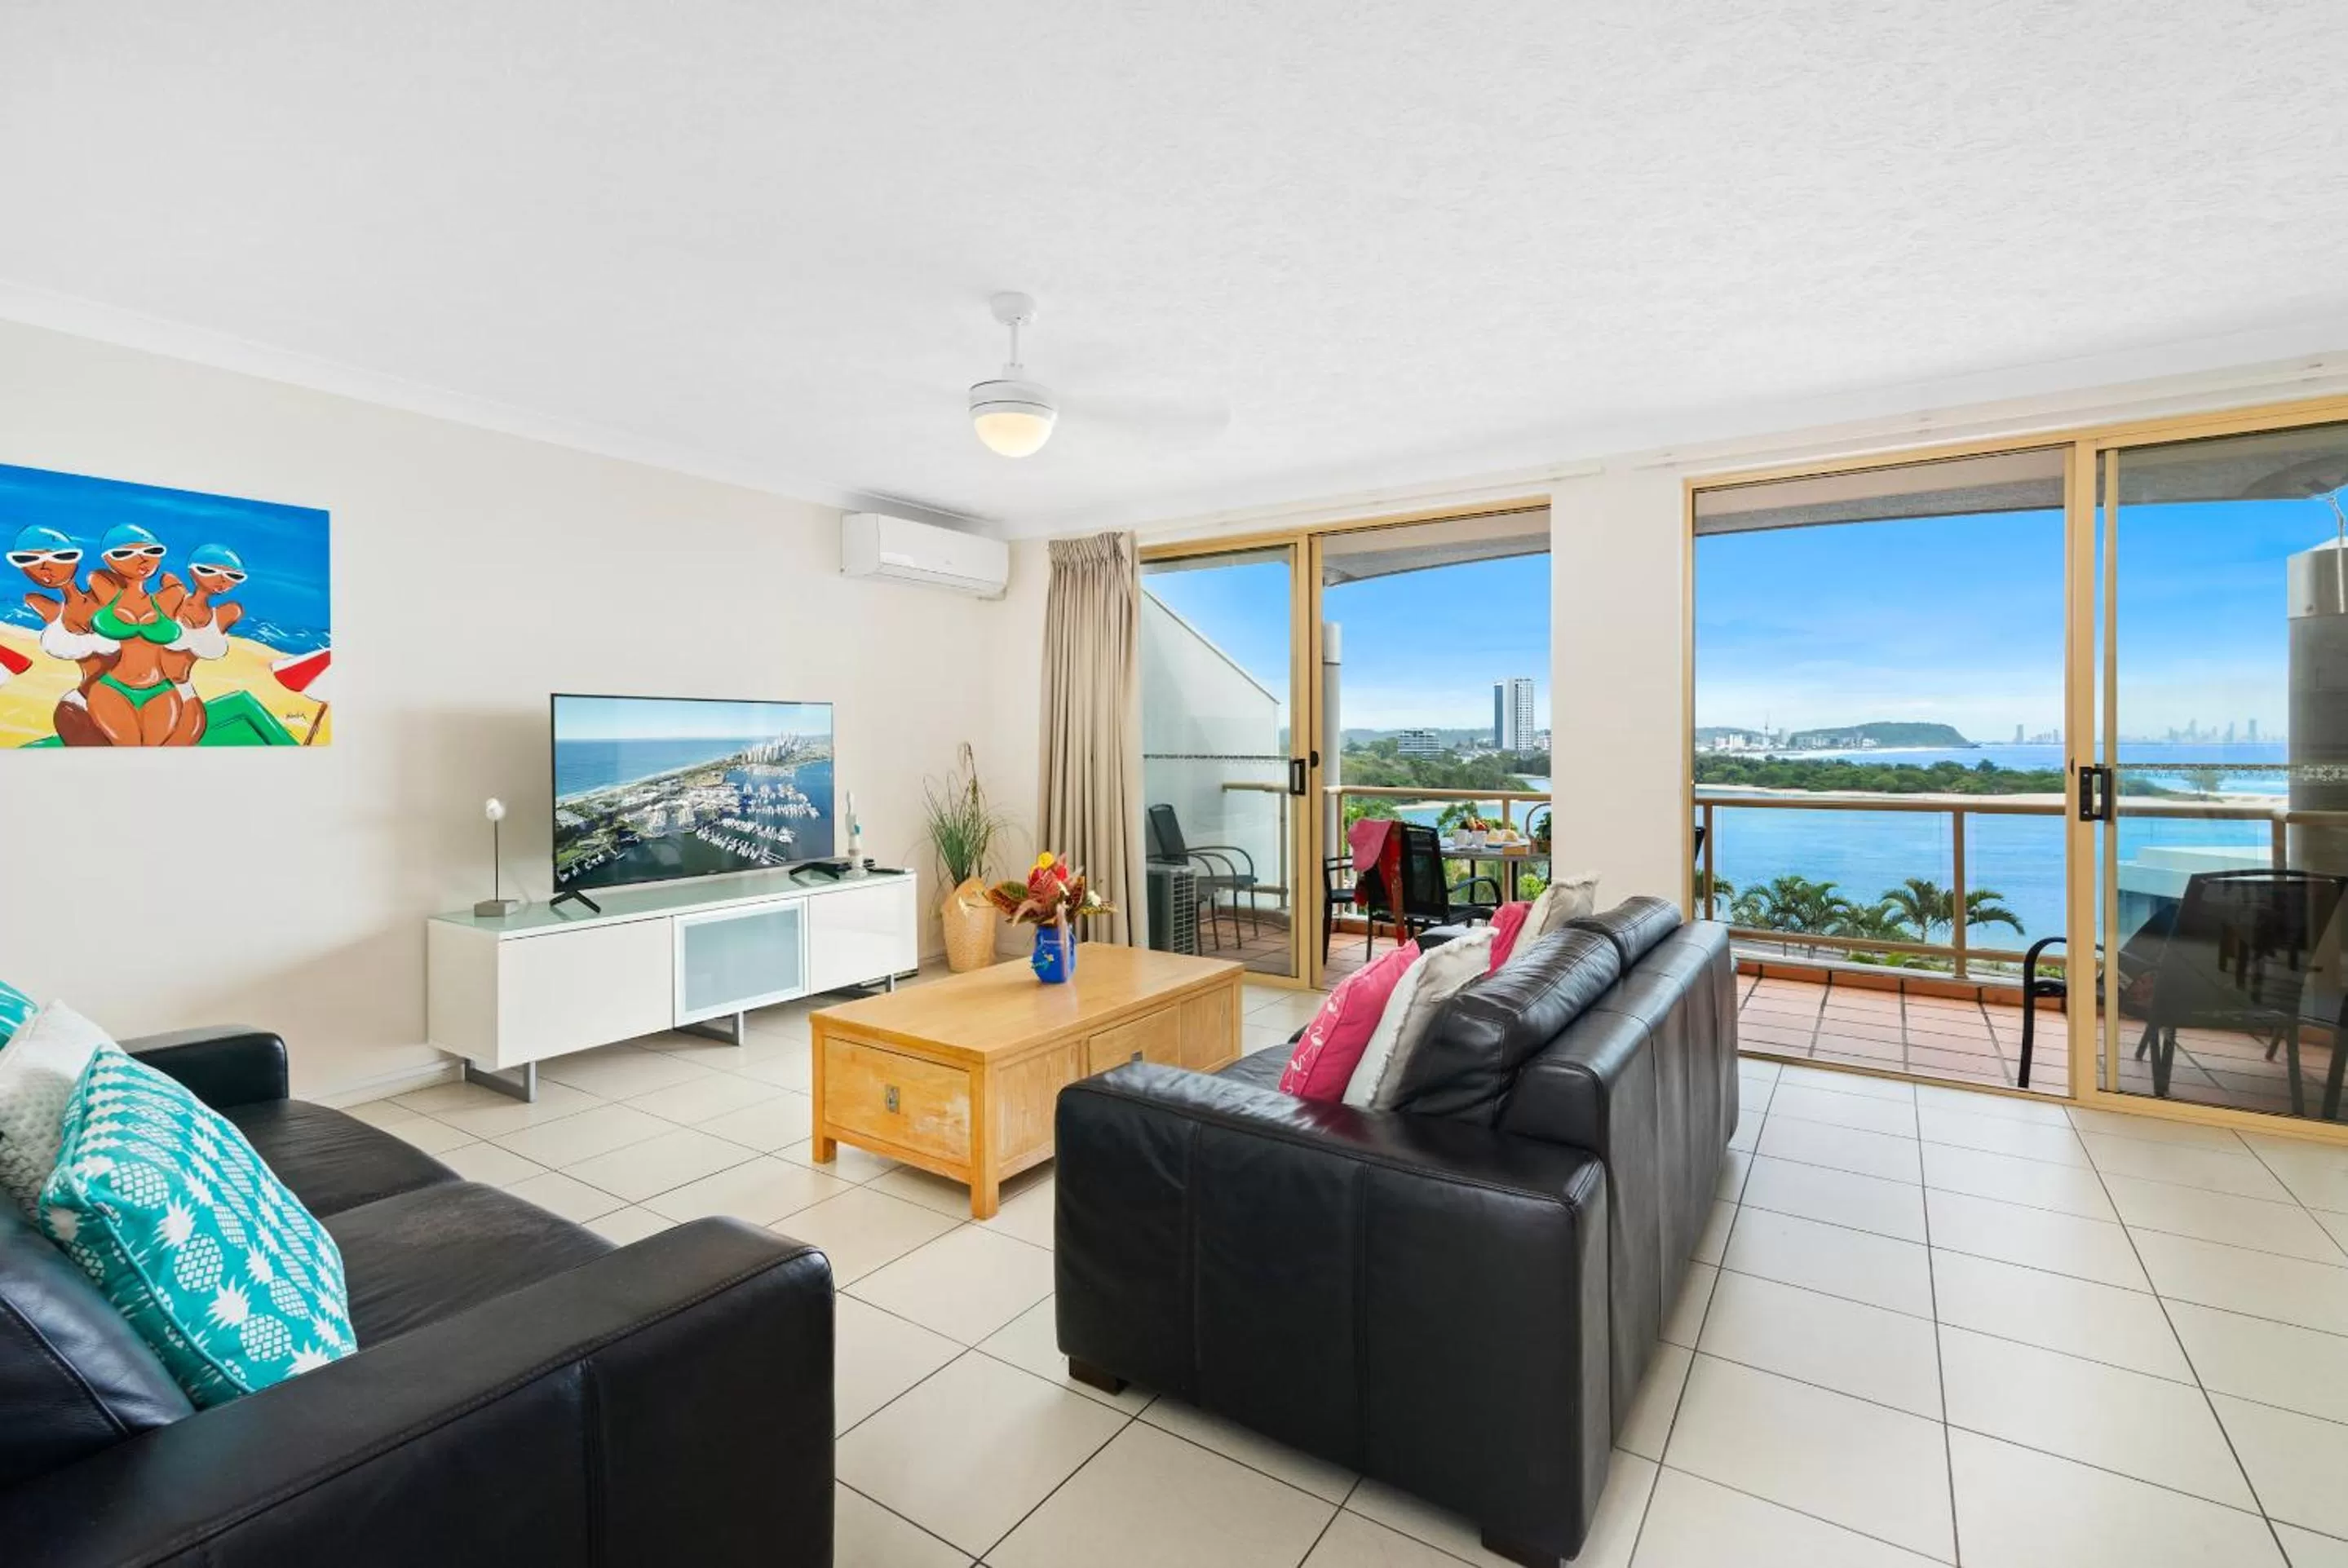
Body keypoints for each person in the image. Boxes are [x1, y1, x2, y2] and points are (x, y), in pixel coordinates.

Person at [7, 523, 115, 745]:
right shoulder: (45, 607)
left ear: (75, 559)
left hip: (129, 692)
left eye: (61, 556)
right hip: (81, 702)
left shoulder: (104, 587)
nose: (45, 567)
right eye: (27, 560)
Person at [82, 523, 188, 746]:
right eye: (124, 553)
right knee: (127, 750)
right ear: (109, 560)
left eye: (152, 551)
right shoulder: (107, 591)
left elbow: (177, 587)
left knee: (152, 754)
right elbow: (95, 577)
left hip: (161, 690)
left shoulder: (169, 598)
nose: (142, 559)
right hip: (112, 689)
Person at [157, 542, 247, 745]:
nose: (222, 580)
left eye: (234, 576)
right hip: (151, 686)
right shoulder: (174, 596)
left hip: (185, 690)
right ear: (192, 570)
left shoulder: (228, 613)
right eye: (209, 571)